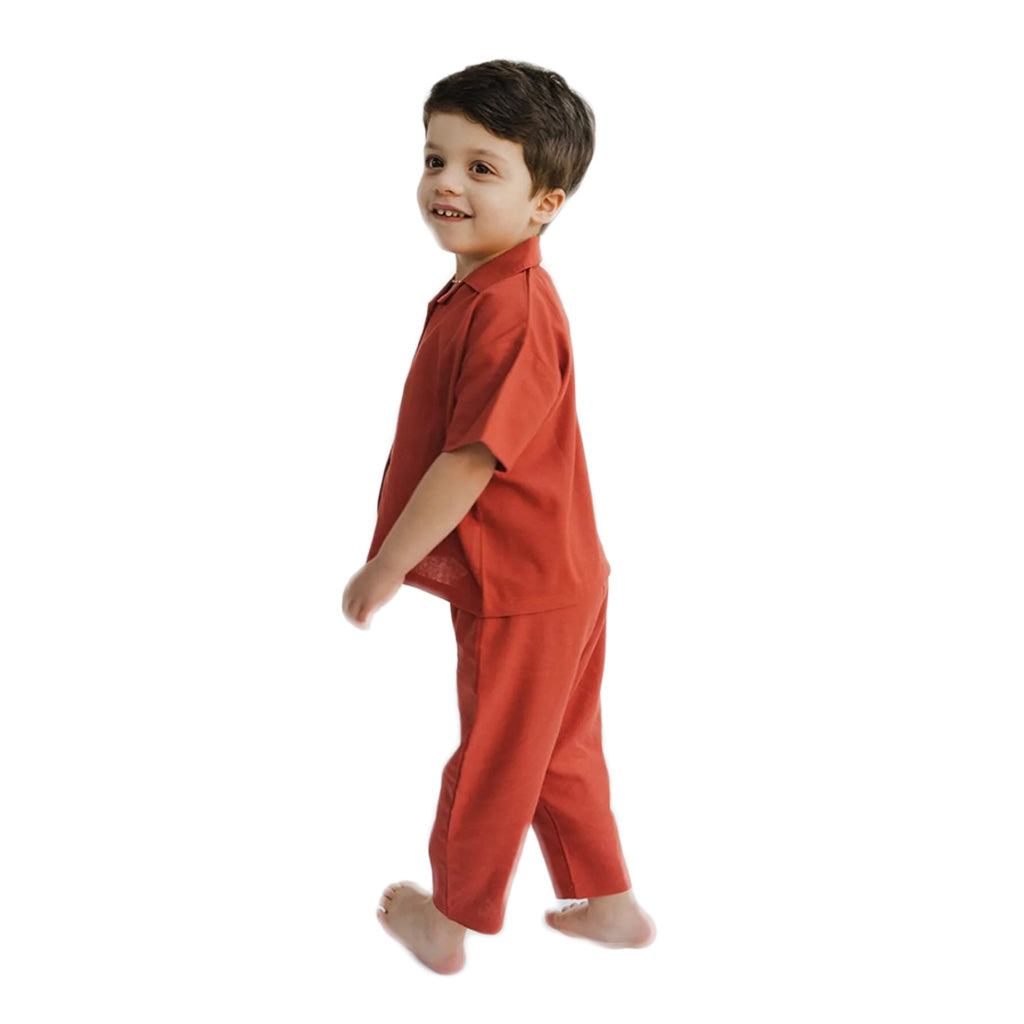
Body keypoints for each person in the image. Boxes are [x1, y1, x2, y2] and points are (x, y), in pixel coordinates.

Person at [342, 59, 655, 974]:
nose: (447, 182)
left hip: (521, 587)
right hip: (559, 575)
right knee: (555, 748)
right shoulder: (481, 290)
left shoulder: (511, 310)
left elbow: (470, 458)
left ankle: (449, 922)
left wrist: (387, 565)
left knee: (494, 756)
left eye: (482, 168)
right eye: (435, 158)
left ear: (545, 203)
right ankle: (611, 906)